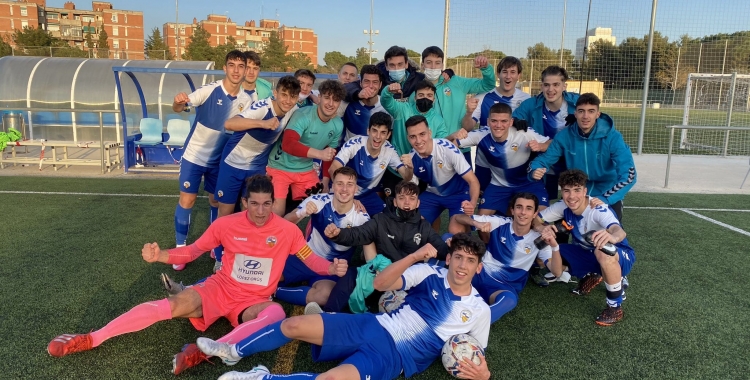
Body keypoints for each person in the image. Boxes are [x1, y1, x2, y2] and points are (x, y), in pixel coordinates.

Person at [46, 175, 348, 376]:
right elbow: (192, 251)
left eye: (266, 204)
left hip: (253, 301)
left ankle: (200, 353)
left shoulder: (286, 231)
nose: (260, 211)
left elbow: (311, 261)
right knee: (171, 307)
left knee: (275, 313)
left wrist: (330, 268)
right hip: (220, 288)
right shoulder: (225, 225)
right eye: (253, 204)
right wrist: (161, 255)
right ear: (244, 203)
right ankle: (90, 338)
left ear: (273, 203)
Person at [195, 233, 492, 380]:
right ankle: (234, 352)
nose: (462, 265)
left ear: (478, 268)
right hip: (372, 324)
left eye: (470, 260)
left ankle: (264, 377)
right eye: (458, 257)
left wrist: (486, 375)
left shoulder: (480, 310)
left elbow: (474, 351)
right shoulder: (430, 274)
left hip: (395, 356)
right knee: (293, 325)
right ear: (449, 258)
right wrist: (413, 257)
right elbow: (381, 285)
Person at [171, 50, 253, 271]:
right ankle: (181, 251)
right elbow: (181, 107)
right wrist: (178, 102)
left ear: (246, 70)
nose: (236, 70)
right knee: (187, 200)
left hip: (220, 162)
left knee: (216, 203)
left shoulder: (247, 100)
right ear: (225, 68)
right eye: (232, 65)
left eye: (241, 66)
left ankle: (217, 251)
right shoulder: (210, 90)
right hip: (194, 156)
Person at [319, 180, 450, 313]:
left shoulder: (424, 227)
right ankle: (327, 315)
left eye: (411, 199)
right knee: (352, 274)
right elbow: (358, 233)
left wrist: (453, 248)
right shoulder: (381, 220)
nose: (406, 203)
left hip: (406, 281)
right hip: (379, 275)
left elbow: (442, 249)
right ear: (394, 202)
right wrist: (338, 234)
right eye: (401, 198)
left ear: (417, 203)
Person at [210, 76, 301, 267]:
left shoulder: (294, 109)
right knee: (225, 214)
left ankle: (246, 254)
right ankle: (219, 259)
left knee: (252, 214)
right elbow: (229, 124)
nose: (287, 100)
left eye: (292, 97)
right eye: (283, 95)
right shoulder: (262, 107)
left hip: (256, 167)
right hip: (233, 164)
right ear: (275, 93)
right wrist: (263, 123)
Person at [535, 169, 636, 326]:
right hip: (588, 252)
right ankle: (595, 274)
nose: (572, 196)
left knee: (601, 250)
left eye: (577, 190)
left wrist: (612, 236)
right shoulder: (563, 206)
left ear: (585, 191)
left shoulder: (597, 209)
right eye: (567, 191)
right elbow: (536, 220)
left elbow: (619, 231)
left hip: (619, 255)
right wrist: (543, 229)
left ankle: (614, 307)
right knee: (546, 250)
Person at [275, 167, 376, 308]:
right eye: (340, 183)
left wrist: (375, 276)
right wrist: (301, 213)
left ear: (355, 189)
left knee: (325, 296)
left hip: (332, 267)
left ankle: (275, 291)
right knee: (270, 275)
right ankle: (271, 287)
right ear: (332, 186)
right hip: (305, 256)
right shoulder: (318, 201)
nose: (344, 189)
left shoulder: (362, 218)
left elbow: (371, 258)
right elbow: (285, 224)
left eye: (349, 184)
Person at [450, 193, 556, 323]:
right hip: (478, 274)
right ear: (512, 210)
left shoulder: (540, 239)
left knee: (510, 300)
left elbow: (555, 271)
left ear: (535, 214)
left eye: (528, 208)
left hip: (503, 286)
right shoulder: (499, 222)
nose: (523, 212)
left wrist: (555, 247)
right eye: (519, 207)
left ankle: (474, 325)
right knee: (447, 239)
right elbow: (457, 218)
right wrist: (475, 223)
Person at [528, 93, 637, 221]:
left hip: (605, 192)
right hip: (575, 192)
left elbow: (629, 175)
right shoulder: (564, 136)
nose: (585, 116)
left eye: (591, 111)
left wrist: (606, 198)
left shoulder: (613, 137)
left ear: (598, 114)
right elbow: (545, 159)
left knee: (607, 236)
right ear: (575, 114)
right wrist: (535, 169)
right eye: (581, 111)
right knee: (557, 232)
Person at [451, 103, 550, 220]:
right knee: (481, 219)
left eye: (504, 121)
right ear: (488, 121)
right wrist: (454, 137)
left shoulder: (524, 132)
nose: (498, 125)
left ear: (511, 122)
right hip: (499, 184)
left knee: (543, 218)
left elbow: (552, 143)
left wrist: (541, 145)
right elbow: (451, 145)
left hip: (528, 182)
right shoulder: (481, 134)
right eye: (494, 121)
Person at [267, 80, 346, 216]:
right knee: (277, 213)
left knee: (320, 206)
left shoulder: (338, 124)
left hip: (305, 170)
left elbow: (329, 154)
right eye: (327, 98)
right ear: (319, 98)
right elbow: (288, 144)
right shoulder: (303, 115)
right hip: (280, 166)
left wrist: (326, 181)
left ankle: (304, 235)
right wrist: (319, 154)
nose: (331, 104)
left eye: (336, 100)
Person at [401, 115, 479, 231]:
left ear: (430, 133)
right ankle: (431, 244)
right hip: (432, 194)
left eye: (422, 134)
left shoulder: (447, 148)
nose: (418, 141)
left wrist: (472, 203)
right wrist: (410, 169)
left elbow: (473, 181)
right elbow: (410, 183)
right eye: (413, 137)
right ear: (408, 138)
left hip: (459, 194)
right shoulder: (411, 156)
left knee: (456, 232)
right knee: (412, 227)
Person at [513, 65, 578, 202]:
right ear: (541, 86)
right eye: (546, 85)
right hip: (545, 160)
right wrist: (515, 121)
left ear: (564, 86)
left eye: (556, 84)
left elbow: (599, 119)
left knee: (574, 200)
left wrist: (580, 118)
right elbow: (512, 118)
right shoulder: (531, 104)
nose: (551, 90)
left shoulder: (577, 103)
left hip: (572, 158)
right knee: (545, 201)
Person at [420, 46, 496, 163]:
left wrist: (486, 69)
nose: (433, 67)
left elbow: (487, 85)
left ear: (442, 65)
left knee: (466, 181)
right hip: (431, 150)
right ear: (422, 65)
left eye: (437, 63)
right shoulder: (416, 91)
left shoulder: (456, 82)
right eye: (429, 63)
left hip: (459, 147)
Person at [329, 111, 412, 215]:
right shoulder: (355, 143)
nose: (378, 136)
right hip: (343, 192)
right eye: (374, 131)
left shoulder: (389, 150)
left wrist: (410, 168)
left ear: (388, 135)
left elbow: (406, 176)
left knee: (385, 220)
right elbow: (333, 169)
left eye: (383, 132)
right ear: (368, 131)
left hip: (367, 196)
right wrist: (349, 197)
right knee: (347, 224)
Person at [464, 56, 531, 130]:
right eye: (505, 72)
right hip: (487, 141)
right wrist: (469, 113)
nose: (508, 76)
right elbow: (467, 128)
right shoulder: (482, 97)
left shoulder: (526, 99)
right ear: (498, 74)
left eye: (512, 72)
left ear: (519, 75)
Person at [336, 64, 388, 141]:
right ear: (360, 83)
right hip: (350, 151)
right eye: (367, 81)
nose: (370, 86)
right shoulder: (346, 103)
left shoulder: (387, 106)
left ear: (380, 85)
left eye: (375, 82)